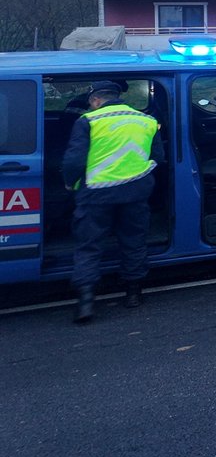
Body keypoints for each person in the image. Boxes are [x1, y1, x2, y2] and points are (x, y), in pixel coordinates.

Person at [62, 80, 163, 323]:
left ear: (96, 100)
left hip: (97, 193)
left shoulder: (88, 121)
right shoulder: (147, 120)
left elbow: (74, 160)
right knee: (134, 240)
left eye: (91, 103)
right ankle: (133, 294)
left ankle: (86, 303)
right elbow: (158, 157)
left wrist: (69, 182)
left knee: (89, 245)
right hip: (135, 191)